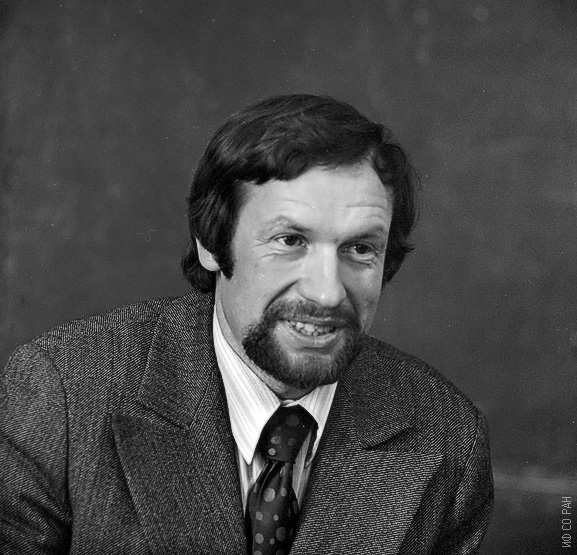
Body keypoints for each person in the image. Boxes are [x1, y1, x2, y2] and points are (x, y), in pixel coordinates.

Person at [0, 94, 493, 554]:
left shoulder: (449, 438)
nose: (327, 292)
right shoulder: (62, 393)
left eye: (360, 248)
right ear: (211, 243)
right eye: (290, 241)